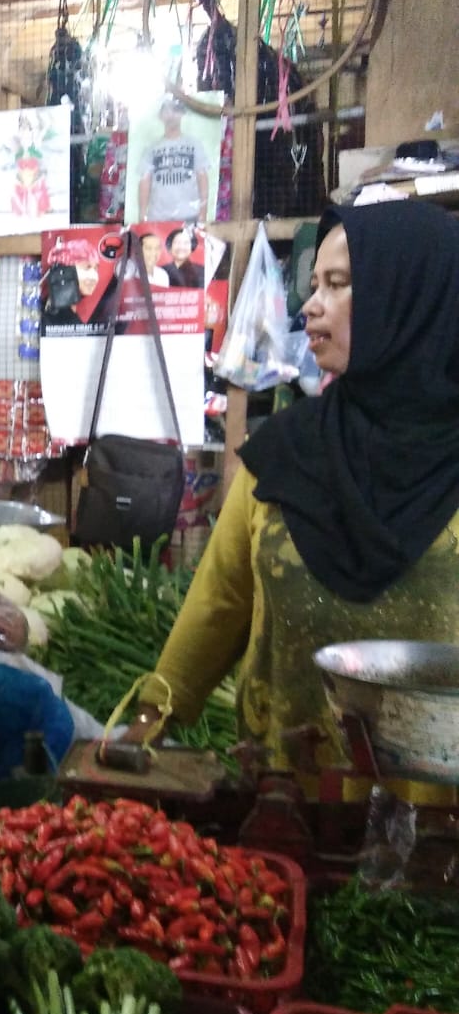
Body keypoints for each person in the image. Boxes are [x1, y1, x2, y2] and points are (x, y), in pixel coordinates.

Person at [136, 201, 459, 769]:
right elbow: (221, 599)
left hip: (437, 824)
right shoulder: (285, 452)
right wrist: (148, 719)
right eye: (314, 285)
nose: (310, 306)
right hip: (283, 807)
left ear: (411, 299)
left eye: (338, 284)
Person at [138, 97, 213, 223]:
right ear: (160, 116)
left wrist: (203, 213)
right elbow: (145, 183)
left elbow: (202, 178)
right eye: (166, 111)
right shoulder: (151, 149)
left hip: (189, 215)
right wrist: (142, 216)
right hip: (158, 217)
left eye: (175, 110)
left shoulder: (194, 145)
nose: (171, 115)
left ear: (182, 114)